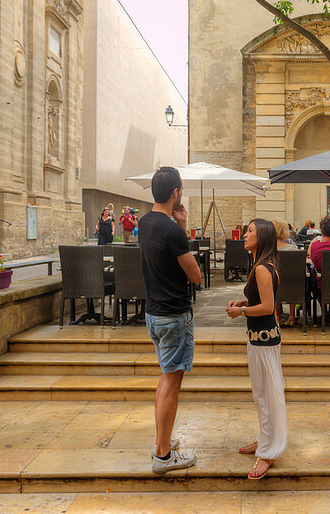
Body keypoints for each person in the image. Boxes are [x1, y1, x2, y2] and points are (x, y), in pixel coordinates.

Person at [138, 166, 204, 474]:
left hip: (153, 313)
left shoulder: (145, 223)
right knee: (171, 382)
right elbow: (196, 275)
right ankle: (163, 456)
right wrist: (182, 228)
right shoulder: (172, 231)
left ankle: (161, 442)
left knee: (165, 379)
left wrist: (180, 224)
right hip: (174, 315)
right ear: (175, 193)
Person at [226, 218, 288, 480]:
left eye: (250, 231)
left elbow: (267, 306)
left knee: (268, 395)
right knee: (261, 394)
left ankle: (268, 451)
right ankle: (264, 440)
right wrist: (244, 300)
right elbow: (260, 300)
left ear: (261, 237)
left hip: (263, 338)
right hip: (260, 336)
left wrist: (240, 311)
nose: (244, 234)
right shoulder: (261, 265)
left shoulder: (262, 268)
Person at [271, 218, 299, 327]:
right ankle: (292, 316)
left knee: (274, 281)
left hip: (274, 286)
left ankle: (276, 316)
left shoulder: (268, 250)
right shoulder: (294, 249)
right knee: (293, 278)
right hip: (293, 286)